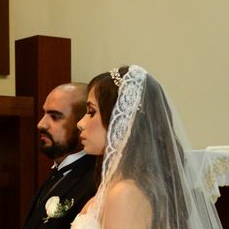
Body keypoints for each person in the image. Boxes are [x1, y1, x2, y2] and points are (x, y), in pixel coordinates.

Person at [73, 65, 222, 228]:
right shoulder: (120, 187)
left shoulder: (125, 193)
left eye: (91, 112)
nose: (80, 124)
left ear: (123, 120)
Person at [23, 84, 97, 229]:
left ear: (83, 122)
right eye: (43, 114)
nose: (41, 124)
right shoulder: (57, 173)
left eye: (55, 117)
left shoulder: (95, 181)